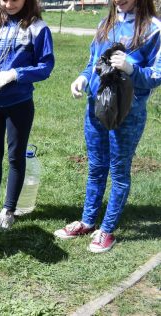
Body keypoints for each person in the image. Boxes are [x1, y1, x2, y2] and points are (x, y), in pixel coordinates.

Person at [54, 0, 161, 253]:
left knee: (119, 171)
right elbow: (92, 61)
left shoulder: (153, 29)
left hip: (127, 113)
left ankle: (107, 229)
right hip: (96, 108)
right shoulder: (106, 24)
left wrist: (131, 68)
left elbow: (157, 75)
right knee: (96, 166)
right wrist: (81, 78)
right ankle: (88, 221)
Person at [0, 0, 54, 230]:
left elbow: (45, 66)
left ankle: (8, 209)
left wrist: (15, 74)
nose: (9, 4)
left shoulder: (37, 28)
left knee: (16, 156)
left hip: (19, 102)